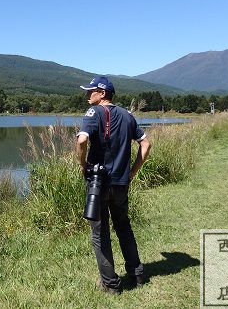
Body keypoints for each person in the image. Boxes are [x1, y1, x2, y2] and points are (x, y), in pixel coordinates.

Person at [75, 76, 151, 295]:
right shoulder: (128, 115)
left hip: (99, 184)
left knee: (100, 234)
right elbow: (145, 144)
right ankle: (137, 275)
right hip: (121, 183)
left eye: (91, 91)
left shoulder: (94, 113)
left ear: (103, 93)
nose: (87, 95)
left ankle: (111, 284)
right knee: (123, 226)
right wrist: (133, 171)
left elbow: (81, 141)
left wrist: (84, 165)